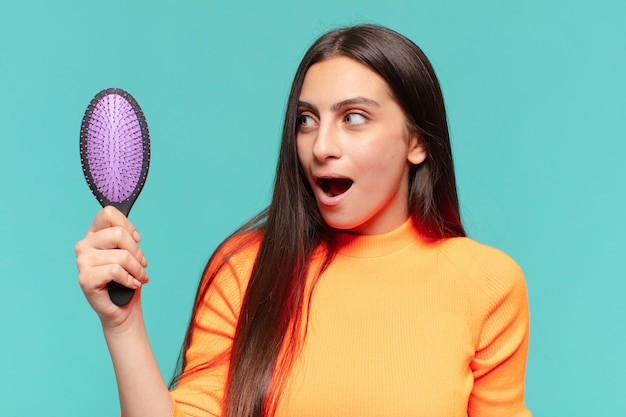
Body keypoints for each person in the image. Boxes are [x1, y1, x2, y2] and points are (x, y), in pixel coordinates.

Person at [75, 24, 531, 417]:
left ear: (417, 141)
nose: (320, 146)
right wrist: (123, 324)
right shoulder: (245, 269)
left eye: (353, 118)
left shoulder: (487, 284)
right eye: (306, 120)